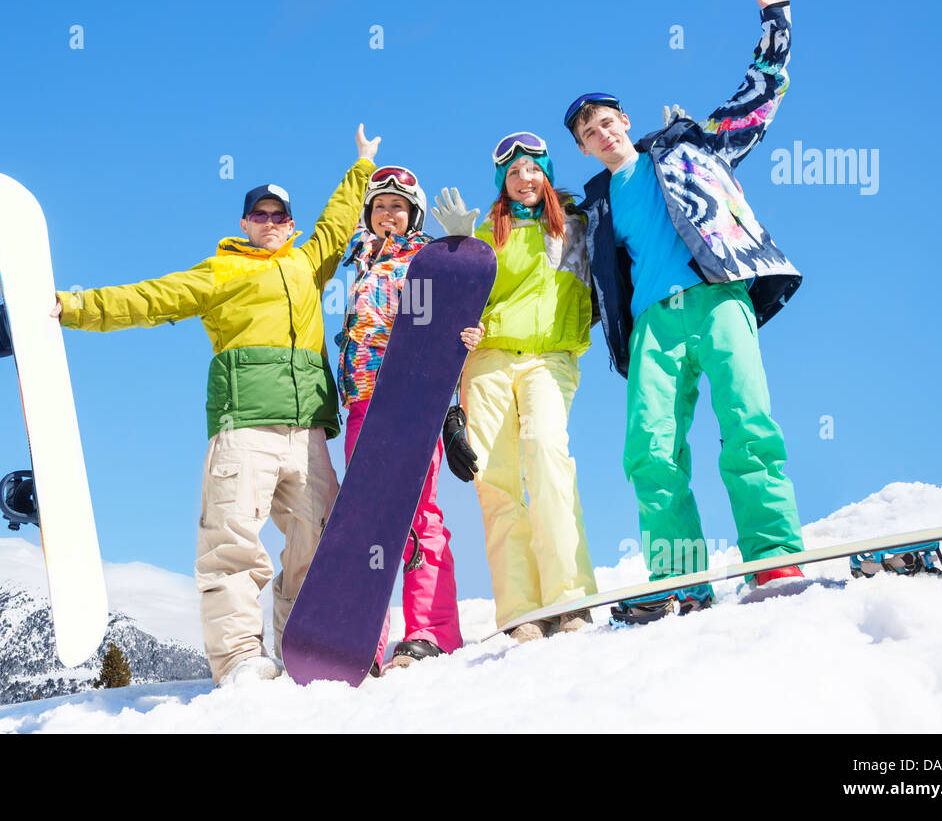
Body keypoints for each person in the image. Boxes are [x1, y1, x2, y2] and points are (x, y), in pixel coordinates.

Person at [52, 125, 380, 686]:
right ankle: (239, 660)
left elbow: (337, 222)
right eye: (260, 214)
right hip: (243, 427)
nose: (270, 222)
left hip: (307, 433)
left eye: (280, 216)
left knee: (320, 543)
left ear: (291, 225)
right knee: (233, 542)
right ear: (244, 223)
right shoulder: (221, 271)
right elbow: (151, 298)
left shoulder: (307, 265)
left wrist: (362, 165)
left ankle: (304, 646)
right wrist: (71, 306)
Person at [564, 0, 806, 623]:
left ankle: (773, 556)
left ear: (625, 122)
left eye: (608, 123)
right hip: (652, 325)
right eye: (590, 134)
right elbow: (553, 264)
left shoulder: (685, 147)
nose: (603, 135)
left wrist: (776, 22)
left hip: (718, 297)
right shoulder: (593, 208)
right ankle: (680, 578)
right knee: (650, 450)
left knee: (747, 423)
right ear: (584, 148)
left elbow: (755, 103)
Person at [433, 133, 599, 641]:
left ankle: (569, 597)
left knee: (546, 453)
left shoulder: (577, 226)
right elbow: (458, 304)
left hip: (550, 356)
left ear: (546, 174)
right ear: (502, 183)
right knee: (494, 477)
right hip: (489, 358)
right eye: (513, 173)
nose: (524, 178)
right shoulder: (488, 233)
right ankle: (520, 609)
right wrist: (459, 252)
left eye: (532, 169)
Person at [334, 165, 479, 672]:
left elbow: (462, 306)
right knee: (365, 518)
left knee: (417, 515)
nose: (388, 214)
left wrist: (461, 247)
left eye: (398, 206)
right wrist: (359, 165)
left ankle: (431, 632)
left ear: (413, 215)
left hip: (410, 399)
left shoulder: (424, 259)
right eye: (379, 206)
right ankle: (363, 638)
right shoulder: (360, 259)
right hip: (361, 401)